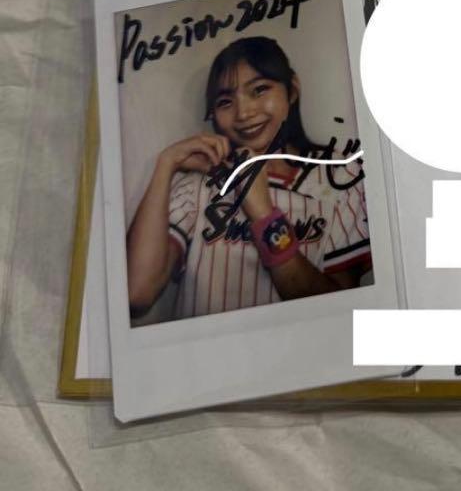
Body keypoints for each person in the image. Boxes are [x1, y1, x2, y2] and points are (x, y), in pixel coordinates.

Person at [126, 36, 372, 322]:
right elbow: (136, 294)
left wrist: (263, 215)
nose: (243, 113)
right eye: (225, 101)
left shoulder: (339, 175)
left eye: (259, 90)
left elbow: (340, 313)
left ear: (292, 90)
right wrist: (166, 164)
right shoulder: (199, 185)